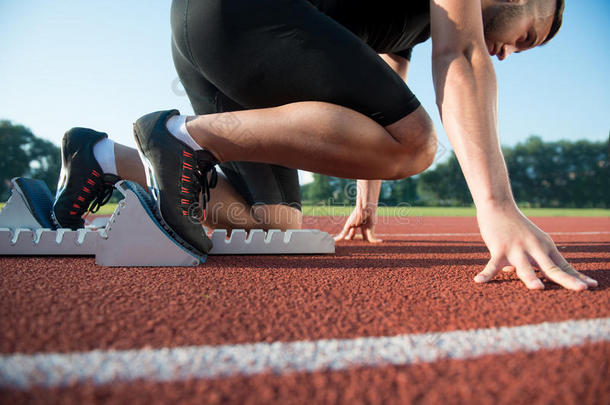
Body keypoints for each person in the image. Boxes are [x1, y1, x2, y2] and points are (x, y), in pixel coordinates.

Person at [53, 0, 598, 291]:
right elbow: (463, 55)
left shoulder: (412, 22)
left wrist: (365, 208)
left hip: (210, 33)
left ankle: (100, 158)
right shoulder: (455, 15)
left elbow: (382, 100)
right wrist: (497, 207)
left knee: (273, 220)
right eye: (531, 35)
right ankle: (184, 136)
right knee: (418, 146)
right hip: (249, 17)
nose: (513, 52)